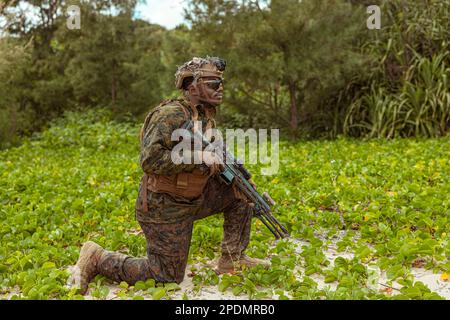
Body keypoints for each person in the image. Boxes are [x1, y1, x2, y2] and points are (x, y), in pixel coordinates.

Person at [69, 57, 269, 295]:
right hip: (163, 206)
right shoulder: (170, 115)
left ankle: (232, 260)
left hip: (192, 197)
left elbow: (215, 161)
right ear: (193, 87)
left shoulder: (204, 117)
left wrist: (244, 183)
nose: (221, 88)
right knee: (166, 277)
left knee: (241, 191)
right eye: (214, 83)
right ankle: (98, 257)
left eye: (221, 83)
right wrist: (198, 157)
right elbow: (149, 160)